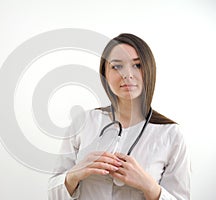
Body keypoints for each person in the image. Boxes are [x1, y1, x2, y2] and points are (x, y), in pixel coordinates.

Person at [48, 33, 191, 200]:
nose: (127, 74)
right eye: (117, 67)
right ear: (105, 74)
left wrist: (149, 186)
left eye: (137, 65)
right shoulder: (83, 123)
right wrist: (73, 176)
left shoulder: (172, 135)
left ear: (150, 70)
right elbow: (53, 195)